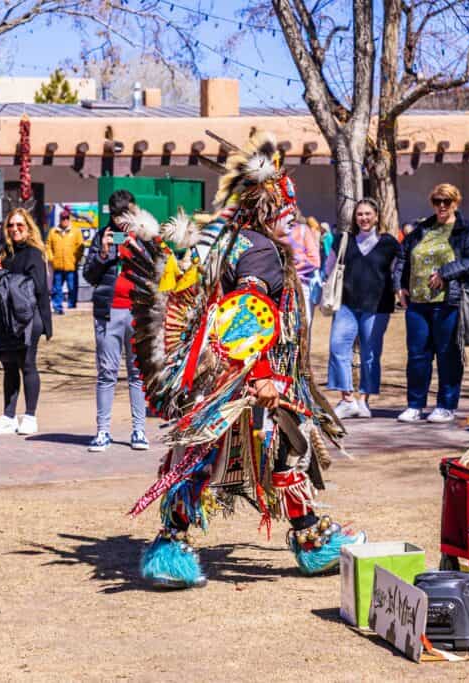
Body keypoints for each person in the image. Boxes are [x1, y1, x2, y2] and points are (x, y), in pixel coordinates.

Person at [122, 131, 366, 589]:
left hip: (221, 375)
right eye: (288, 215)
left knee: (211, 454)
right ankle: (310, 542)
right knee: (280, 449)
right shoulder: (261, 252)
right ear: (270, 210)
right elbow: (244, 317)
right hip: (245, 377)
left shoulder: (234, 242)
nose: (291, 224)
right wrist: (265, 377)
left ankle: (174, 547)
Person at [396, 183, 469, 424]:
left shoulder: (467, 230)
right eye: (437, 201)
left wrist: (446, 273)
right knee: (417, 356)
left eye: (447, 201)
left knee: (448, 355)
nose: (442, 206)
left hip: (449, 302)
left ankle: (446, 404)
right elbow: (403, 256)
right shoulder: (422, 229)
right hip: (418, 303)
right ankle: (415, 405)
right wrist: (399, 285)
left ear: (456, 202)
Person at [82, 191, 148, 452]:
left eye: (127, 216)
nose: (122, 223)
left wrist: (137, 250)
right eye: (118, 217)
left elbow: (158, 269)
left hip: (137, 312)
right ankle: (103, 432)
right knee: (106, 373)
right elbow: (89, 275)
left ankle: (139, 430)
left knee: (137, 373)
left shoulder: (143, 235)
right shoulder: (102, 237)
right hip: (108, 313)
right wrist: (104, 253)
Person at [324, 199, 399, 419]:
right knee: (338, 348)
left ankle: (364, 400)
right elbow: (329, 267)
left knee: (370, 354)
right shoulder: (343, 240)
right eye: (359, 215)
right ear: (354, 218)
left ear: (376, 216)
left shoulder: (389, 244)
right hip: (346, 304)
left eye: (368, 214)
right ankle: (347, 399)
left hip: (377, 308)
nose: (364, 218)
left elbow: (399, 270)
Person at [0, 209, 53, 436]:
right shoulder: (5, 252)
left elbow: (38, 288)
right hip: (7, 317)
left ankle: (30, 416)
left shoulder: (34, 253)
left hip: (29, 317)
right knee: (8, 365)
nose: (15, 229)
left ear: (29, 228)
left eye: (20, 225)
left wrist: (47, 323)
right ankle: (8, 416)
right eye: (11, 225)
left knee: (27, 364)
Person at [276, 208, 321, 330]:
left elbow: (315, 261)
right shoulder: (272, 231)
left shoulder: (303, 230)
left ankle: (303, 349)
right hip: (278, 286)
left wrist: (293, 268)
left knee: (303, 327)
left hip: (302, 286)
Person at [46, 207, 84, 314]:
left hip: (71, 265)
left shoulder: (76, 231)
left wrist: (77, 258)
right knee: (57, 288)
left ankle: (72, 306)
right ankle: (57, 307)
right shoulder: (53, 232)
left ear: (69, 219)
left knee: (72, 287)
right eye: (63, 218)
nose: (65, 220)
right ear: (60, 219)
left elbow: (80, 246)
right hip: (57, 265)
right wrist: (51, 258)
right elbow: (48, 246)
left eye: (67, 218)